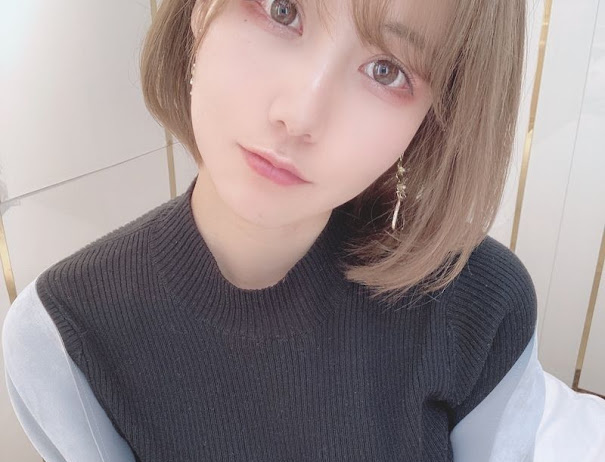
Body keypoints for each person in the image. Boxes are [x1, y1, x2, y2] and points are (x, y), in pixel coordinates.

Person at [3, 0, 557, 460]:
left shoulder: (480, 306)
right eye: (281, 10)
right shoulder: (62, 332)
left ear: (433, 119)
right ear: (201, 10)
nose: (300, 115)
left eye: (386, 70)